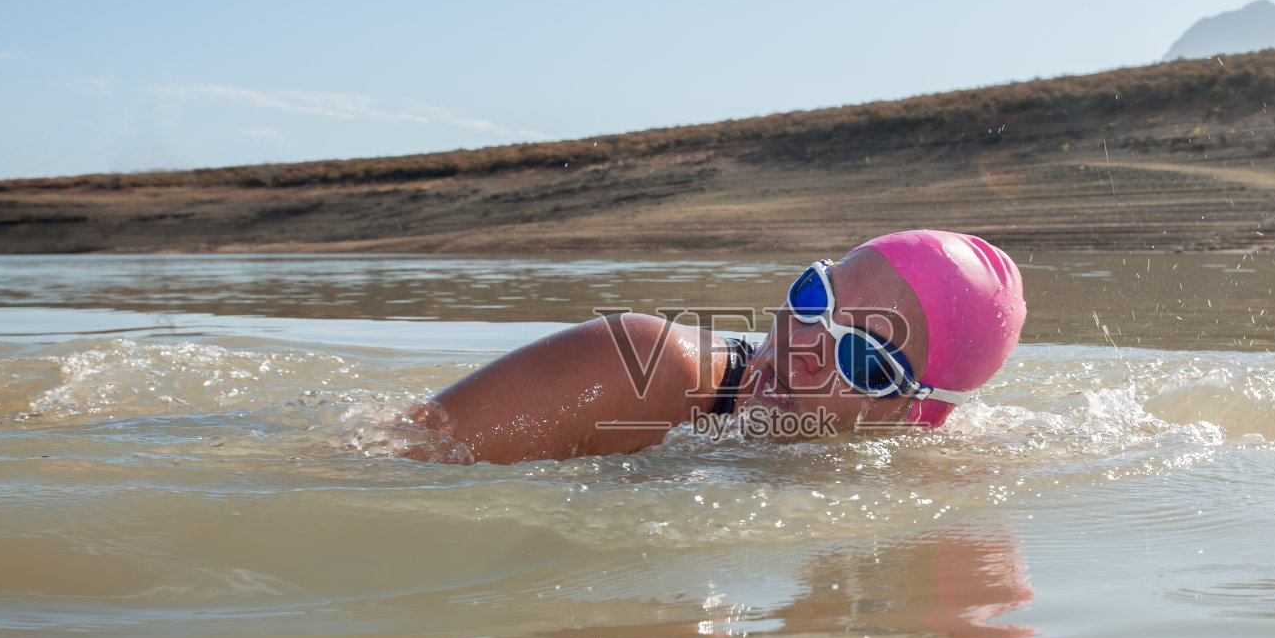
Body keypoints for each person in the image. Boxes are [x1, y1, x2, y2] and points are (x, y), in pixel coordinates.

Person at [408, 230, 1026, 465]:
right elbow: (391, 462)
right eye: (813, 298)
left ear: (919, 416)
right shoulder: (638, 366)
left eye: (861, 359)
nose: (798, 346)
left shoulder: (940, 467)